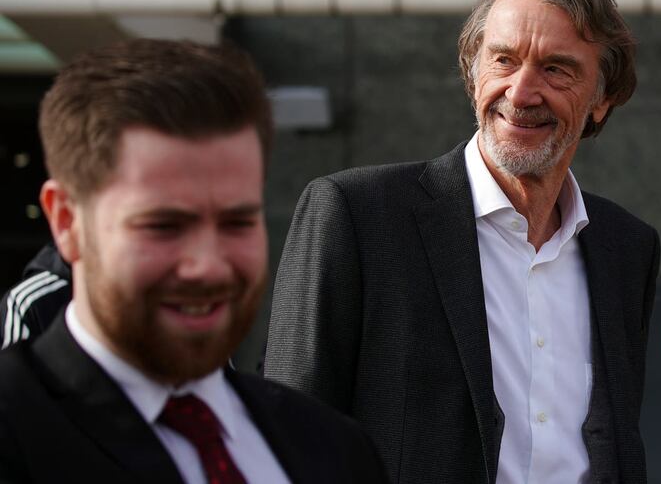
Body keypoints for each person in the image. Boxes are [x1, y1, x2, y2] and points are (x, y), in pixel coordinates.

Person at [264, 0, 660, 484]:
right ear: (472, 72)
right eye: (503, 59)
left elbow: (615, 441)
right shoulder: (357, 217)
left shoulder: (626, 248)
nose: (521, 92)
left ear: (601, 99)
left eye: (556, 69)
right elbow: (291, 436)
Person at [0, 39, 387, 483]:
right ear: (66, 221)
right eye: (163, 226)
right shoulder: (16, 435)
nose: (208, 265)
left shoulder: (333, 448)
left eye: (236, 222)